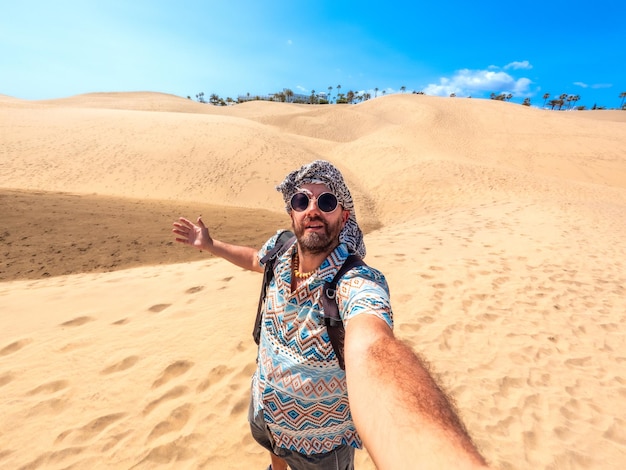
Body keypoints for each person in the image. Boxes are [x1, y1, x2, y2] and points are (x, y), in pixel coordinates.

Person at [172, 160, 488, 470]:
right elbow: (256, 258)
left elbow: (374, 346)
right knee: (273, 452)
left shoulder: (356, 281)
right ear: (291, 212)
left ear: (344, 215)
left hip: (320, 448)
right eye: (301, 200)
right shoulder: (280, 250)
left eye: (326, 201)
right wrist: (210, 244)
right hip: (267, 413)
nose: (313, 209)